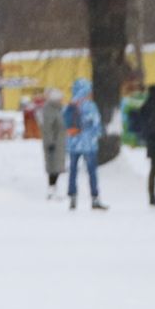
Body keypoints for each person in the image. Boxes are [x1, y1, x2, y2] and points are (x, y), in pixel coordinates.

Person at [61, 79, 106, 211]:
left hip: (74, 143)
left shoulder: (70, 104)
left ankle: (73, 197)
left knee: (73, 171)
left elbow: (65, 123)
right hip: (88, 144)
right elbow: (96, 123)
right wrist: (97, 134)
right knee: (91, 171)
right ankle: (94, 198)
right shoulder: (90, 105)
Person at [36, 89, 66, 200]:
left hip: (59, 143)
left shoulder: (58, 109)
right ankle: (51, 190)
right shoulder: (50, 110)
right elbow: (47, 128)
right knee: (53, 167)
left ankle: (53, 189)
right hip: (53, 143)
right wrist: (50, 142)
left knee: (56, 167)